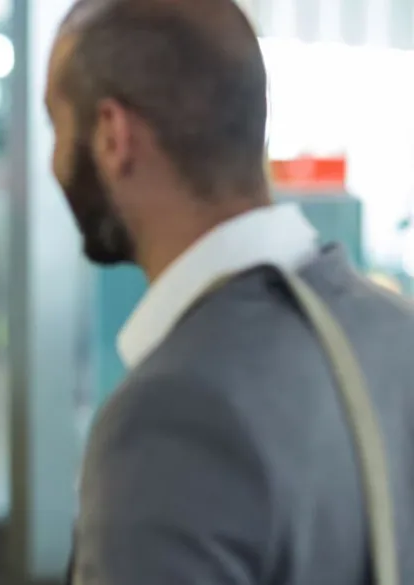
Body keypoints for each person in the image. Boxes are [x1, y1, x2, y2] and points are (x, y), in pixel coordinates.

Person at [46, 1, 414, 584]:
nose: (54, 161)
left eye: (57, 126)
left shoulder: (173, 411)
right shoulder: (394, 334)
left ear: (114, 137)